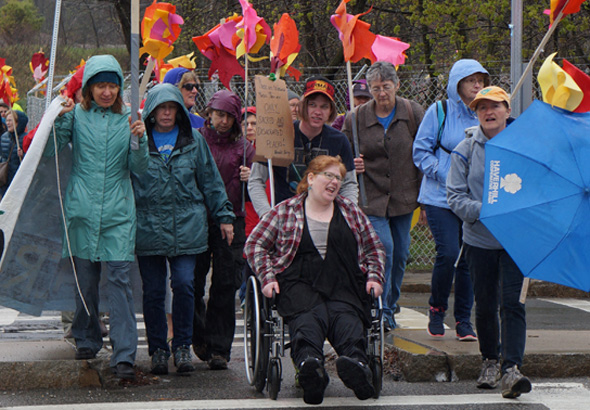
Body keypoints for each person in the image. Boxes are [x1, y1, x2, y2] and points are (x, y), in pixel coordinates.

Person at [245, 155, 385, 405]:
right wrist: (267, 278)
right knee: (308, 319)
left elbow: (374, 248)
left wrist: (374, 277)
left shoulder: (350, 211)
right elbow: (255, 244)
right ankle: (310, 369)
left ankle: (357, 365)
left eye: (339, 178)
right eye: (328, 176)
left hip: (343, 281)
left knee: (346, 319)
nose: (334, 182)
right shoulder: (286, 210)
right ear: (310, 178)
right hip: (299, 281)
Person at [44, 54, 149, 380]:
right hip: (81, 211)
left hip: (118, 212)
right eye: (100, 85)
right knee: (85, 281)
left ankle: (124, 355)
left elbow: (139, 170)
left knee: (119, 282)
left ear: (119, 87)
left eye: (112, 85)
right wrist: (58, 121)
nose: (107, 92)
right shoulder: (76, 117)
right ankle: (87, 338)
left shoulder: (129, 120)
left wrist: (140, 141)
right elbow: (51, 152)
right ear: (89, 88)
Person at [132, 83, 235, 375]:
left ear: (179, 110)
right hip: (149, 226)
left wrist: (224, 215)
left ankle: (182, 347)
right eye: (161, 107)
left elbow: (211, 182)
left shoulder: (194, 141)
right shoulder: (139, 141)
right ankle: (158, 350)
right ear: (151, 111)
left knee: (185, 285)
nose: (166, 112)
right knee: (153, 291)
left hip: (187, 227)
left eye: (172, 107)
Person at [447, 86, 531, 398]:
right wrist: (487, 211)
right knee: (484, 304)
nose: (488, 111)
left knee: (513, 303)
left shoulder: (524, 146)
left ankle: (512, 369)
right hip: (479, 241)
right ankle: (490, 361)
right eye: (482, 107)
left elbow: (535, 188)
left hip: (515, 241)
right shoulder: (464, 150)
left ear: (508, 111)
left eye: (495, 105)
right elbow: (455, 197)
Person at [342, 61, 424, 331]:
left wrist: (424, 200)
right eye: (376, 88)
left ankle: (391, 301)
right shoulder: (355, 119)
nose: (382, 94)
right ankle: (382, 310)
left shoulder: (412, 113)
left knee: (401, 253)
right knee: (384, 249)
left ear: (397, 86)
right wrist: (353, 164)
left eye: (386, 87)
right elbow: (342, 156)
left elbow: (424, 153)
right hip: (372, 197)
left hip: (404, 196)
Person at [413, 59, 490, 340]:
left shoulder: (484, 113)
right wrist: (448, 174)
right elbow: (420, 152)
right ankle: (436, 308)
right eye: (471, 80)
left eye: (481, 79)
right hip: (439, 197)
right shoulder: (439, 111)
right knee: (448, 253)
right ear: (457, 83)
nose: (477, 85)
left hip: (470, 199)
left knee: (469, 258)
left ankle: (463, 321)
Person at [193, 89, 255, 370]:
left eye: (229, 116)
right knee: (193, 279)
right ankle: (198, 334)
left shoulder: (245, 149)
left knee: (225, 283)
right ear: (209, 114)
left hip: (234, 219)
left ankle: (220, 347)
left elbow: (258, 189)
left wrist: (249, 177)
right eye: (219, 115)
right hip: (199, 218)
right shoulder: (197, 141)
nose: (223, 121)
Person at [248, 76, 358, 218]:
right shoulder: (277, 134)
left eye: (324, 106)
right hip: (286, 217)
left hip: (326, 218)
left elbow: (349, 184)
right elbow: (256, 180)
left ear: (331, 111)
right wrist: (266, 214)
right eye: (312, 105)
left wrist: (348, 214)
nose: (317, 111)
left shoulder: (339, 140)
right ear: (302, 106)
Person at [1, 109, 28, 195]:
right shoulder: (4, 137)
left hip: (19, 180)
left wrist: (23, 155)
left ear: (18, 122)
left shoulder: (26, 138)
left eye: (10, 120)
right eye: (6, 120)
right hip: (5, 178)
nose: (7, 123)